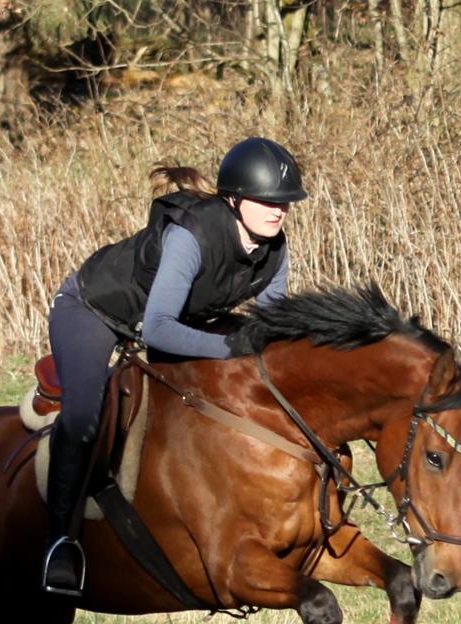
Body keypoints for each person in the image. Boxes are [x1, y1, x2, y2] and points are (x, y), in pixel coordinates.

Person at [42, 136, 308, 596]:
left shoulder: (274, 250)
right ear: (234, 199)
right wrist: (232, 345)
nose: (278, 210)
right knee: (84, 416)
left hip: (164, 320)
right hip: (94, 311)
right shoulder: (191, 235)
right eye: (266, 201)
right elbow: (160, 329)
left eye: (284, 203)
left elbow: (270, 331)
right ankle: (59, 542)